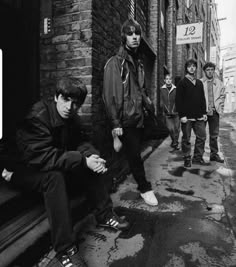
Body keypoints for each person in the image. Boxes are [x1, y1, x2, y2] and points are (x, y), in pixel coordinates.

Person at [2, 77, 129, 267]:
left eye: (76, 103)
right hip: (27, 167)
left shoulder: (70, 117)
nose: (70, 107)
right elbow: (41, 157)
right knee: (56, 177)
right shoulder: (37, 117)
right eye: (66, 100)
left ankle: (104, 214)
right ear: (56, 97)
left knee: (86, 163)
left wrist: (93, 158)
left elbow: (81, 142)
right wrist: (82, 160)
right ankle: (65, 249)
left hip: (49, 162)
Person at [102, 18, 158, 206]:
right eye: (130, 33)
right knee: (134, 155)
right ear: (123, 37)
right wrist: (116, 124)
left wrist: (148, 103)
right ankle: (144, 188)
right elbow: (111, 95)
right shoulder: (115, 63)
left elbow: (141, 89)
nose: (134, 37)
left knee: (133, 151)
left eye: (137, 34)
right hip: (126, 119)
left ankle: (111, 180)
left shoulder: (139, 63)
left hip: (139, 117)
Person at [175, 59, 208, 168]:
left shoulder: (199, 83)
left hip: (199, 116)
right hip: (187, 117)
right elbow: (178, 101)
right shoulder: (182, 83)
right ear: (186, 68)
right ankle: (187, 158)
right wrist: (182, 115)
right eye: (189, 66)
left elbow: (202, 98)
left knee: (202, 136)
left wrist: (204, 112)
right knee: (186, 138)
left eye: (194, 66)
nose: (192, 68)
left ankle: (197, 157)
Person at [201, 62, 225, 163]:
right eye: (208, 70)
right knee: (201, 135)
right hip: (203, 112)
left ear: (214, 71)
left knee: (214, 135)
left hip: (215, 112)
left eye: (212, 70)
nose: (210, 72)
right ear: (205, 71)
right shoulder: (200, 82)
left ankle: (214, 155)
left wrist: (220, 106)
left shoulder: (219, 83)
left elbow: (223, 96)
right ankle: (198, 156)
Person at [160, 74, 180, 150]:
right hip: (167, 113)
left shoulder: (176, 89)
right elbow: (161, 100)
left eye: (170, 79)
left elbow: (178, 100)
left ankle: (175, 143)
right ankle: (174, 141)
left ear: (171, 80)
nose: (168, 80)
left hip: (176, 112)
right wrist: (163, 109)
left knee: (177, 129)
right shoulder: (162, 89)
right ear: (164, 80)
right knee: (170, 129)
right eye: (167, 79)